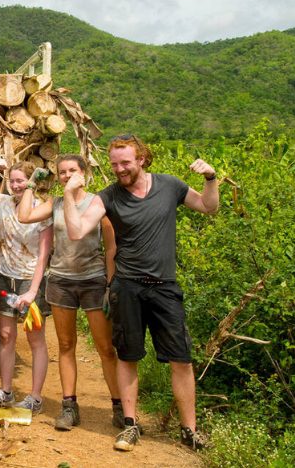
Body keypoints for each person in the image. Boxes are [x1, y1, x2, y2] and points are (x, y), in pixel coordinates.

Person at [61, 135, 218, 451]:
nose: (119, 169)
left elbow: (208, 207)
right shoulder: (109, 196)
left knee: (181, 359)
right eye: (114, 164)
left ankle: (189, 431)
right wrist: (68, 194)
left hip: (165, 287)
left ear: (142, 159)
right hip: (127, 286)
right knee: (128, 356)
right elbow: (76, 231)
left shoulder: (170, 186)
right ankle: (130, 424)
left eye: (125, 163)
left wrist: (210, 178)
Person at [17, 154, 119, 432]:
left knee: (105, 347)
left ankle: (119, 406)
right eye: (62, 172)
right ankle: (69, 406)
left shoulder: (97, 203)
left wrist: (110, 285)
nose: (66, 176)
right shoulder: (56, 203)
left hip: (93, 279)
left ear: (83, 173)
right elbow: (24, 216)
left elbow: (111, 247)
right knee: (65, 345)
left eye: (72, 170)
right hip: (61, 280)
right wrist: (31, 183)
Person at [0, 158, 53, 415]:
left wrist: (32, 290)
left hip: (30, 278)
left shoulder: (42, 209)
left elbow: (44, 255)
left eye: (21, 181)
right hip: (3, 276)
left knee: (35, 338)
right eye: (13, 180)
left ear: (31, 183)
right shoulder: (4, 202)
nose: (16, 185)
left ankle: (35, 397)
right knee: (7, 336)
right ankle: (6, 391)